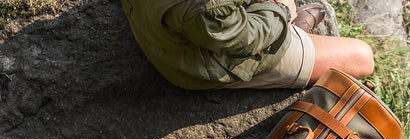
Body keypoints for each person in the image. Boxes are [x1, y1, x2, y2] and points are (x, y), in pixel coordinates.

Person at [120, 0, 374, 90]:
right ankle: (291, 31)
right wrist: (280, 11)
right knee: (361, 57)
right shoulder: (206, 8)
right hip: (203, 53)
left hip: (160, 15)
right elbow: (244, 40)